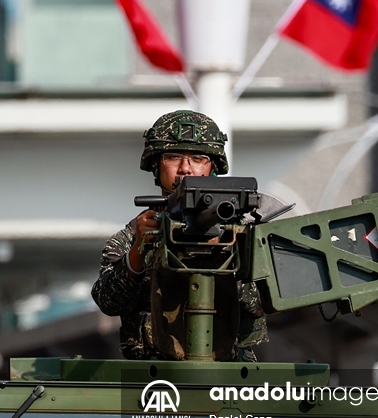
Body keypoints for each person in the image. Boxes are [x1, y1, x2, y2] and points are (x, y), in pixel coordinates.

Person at [91, 109, 267, 362]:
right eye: (173, 157)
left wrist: (228, 253)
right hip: (154, 374)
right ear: (156, 166)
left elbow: (260, 305)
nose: (185, 169)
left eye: (198, 159)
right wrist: (138, 254)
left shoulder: (243, 234)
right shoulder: (134, 235)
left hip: (231, 371)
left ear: (212, 168)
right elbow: (109, 303)